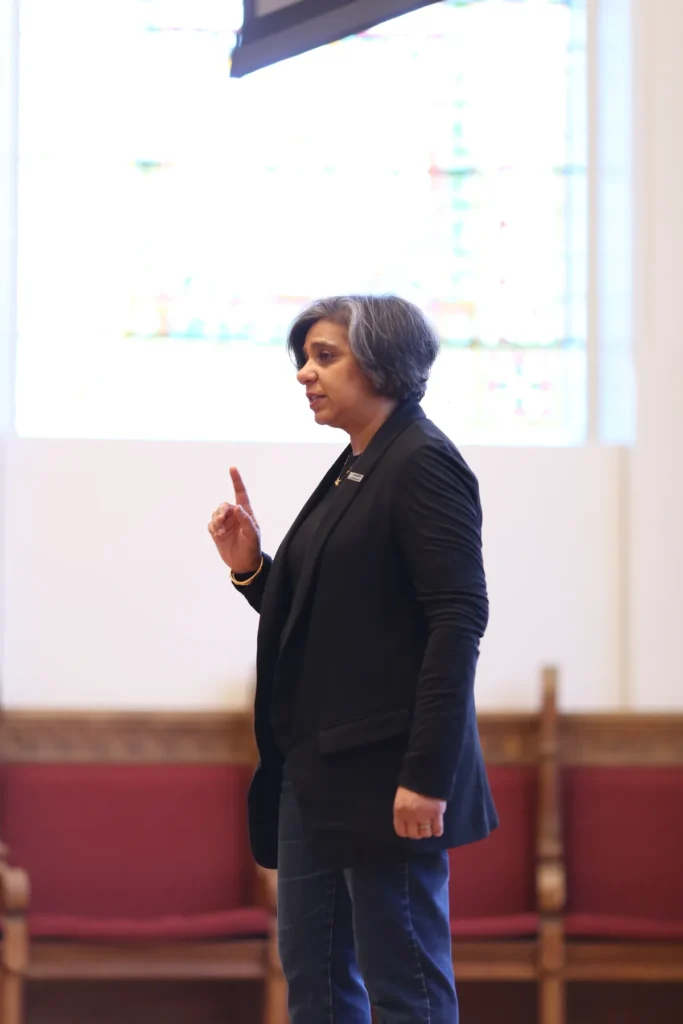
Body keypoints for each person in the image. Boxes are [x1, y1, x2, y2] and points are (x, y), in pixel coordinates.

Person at [208, 295, 497, 1024]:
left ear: (385, 362)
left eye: (324, 356)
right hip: (316, 774)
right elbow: (323, 622)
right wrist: (251, 569)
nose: (305, 373)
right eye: (302, 358)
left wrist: (426, 777)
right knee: (316, 987)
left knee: (406, 989)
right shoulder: (357, 465)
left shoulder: (421, 462)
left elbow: (457, 619)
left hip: (384, 781)